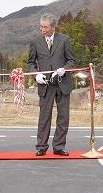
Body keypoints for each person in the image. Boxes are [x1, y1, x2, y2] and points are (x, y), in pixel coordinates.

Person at [27, 13, 76, 156]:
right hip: (45, 84)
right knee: (44, 116)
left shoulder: (64, 40)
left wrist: (64, 70)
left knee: (63, 117)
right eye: (41, 26)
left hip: (62, 83)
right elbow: (30, 63)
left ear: (53, 27)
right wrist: (36, 74)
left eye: (45, 27)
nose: (42, 29)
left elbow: (71, 60)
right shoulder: (35, 41)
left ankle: (59, 147)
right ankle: (41, 146)